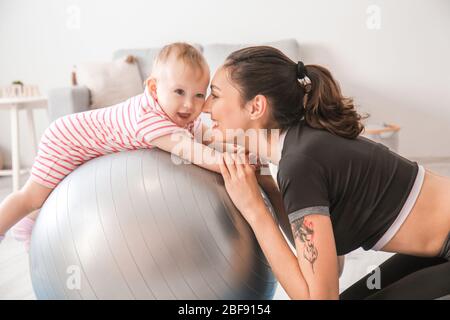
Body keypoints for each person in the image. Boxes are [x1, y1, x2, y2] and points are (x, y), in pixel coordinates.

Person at [202, 45, 450, 299]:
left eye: (216, 95)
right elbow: (332, 269)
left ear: (256, 107)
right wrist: (267, 186)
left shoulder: (299, 164)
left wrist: (254, 210)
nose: (204, 107)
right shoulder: (302, 146)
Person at [0, 42, 224, 250]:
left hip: (81, 138)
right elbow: (192, 151)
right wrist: (229, 164)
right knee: (32, 197)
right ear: (154, 89)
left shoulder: (181, 114)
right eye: (179, 92)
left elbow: (208, 138)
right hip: (68, 140)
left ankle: (28, 223)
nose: (189, 104)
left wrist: (243, 144)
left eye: (198, 95)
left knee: (49, 195)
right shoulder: (149, 116)